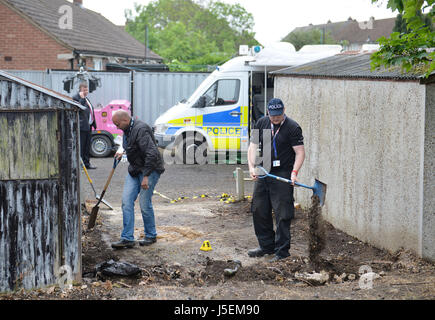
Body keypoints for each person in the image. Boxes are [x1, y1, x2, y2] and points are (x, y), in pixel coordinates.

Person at [247, 98, 305, 262]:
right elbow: (252, 146)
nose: (275, 118)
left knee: (283, 213)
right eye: (273, 115)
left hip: (282, 173)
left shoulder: (292, 127)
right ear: (268, 112)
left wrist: (294, 172)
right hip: (263, 170)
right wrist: (251, 167)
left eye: (278, 115)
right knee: (259, 209)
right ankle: (266, 247)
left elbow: (300, 152)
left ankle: (282, 252)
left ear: (284, 110)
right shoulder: (262, 123)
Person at [110, 110, 165, 249]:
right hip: (135, 169)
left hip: (150, 169)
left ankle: (151, 235)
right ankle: (127, 238)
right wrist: (122, 152)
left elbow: (152, 153)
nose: (116, 127)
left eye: (117, 124)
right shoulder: (127, 130)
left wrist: (146, 176)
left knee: (144, 204)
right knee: (126, 201)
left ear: (125, 120)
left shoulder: (141, 129)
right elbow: (133, 147)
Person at [72, 82, 97, 169]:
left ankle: (87, 164)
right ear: (80, 90)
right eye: (84, 90)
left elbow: (91, 110)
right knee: (81, 147)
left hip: (88, 126)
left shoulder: (86, 99)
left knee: (87, 147)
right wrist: (82, 98)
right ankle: (81, 165)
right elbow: (79, 108)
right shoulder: (76, 98)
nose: (86, 91)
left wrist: (93, 123)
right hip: (82, 127)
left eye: (87, 90)